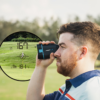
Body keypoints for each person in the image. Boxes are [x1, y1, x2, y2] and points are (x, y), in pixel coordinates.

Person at [26, 22, 100, 100]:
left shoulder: (89, 94)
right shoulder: (70, 87)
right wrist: (40, 67)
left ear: (82, 52)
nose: (56, 53)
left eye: (62, 47)